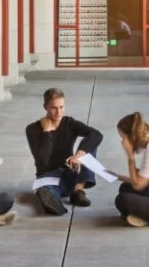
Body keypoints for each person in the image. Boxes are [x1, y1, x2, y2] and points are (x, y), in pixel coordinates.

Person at [26, 88, 103, 216]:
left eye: (61, 107)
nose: (58, 112)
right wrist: (47, 132)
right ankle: (53, 202)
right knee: (47, 190)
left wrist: (79, 154)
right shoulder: (32, 129)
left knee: (89, 147)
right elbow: (42, 160)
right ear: (45, 107)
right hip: (49, 175)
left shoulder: (69, 123)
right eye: (53, 108)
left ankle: (78, 191)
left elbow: (96, 134)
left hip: (71, 172)